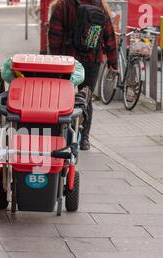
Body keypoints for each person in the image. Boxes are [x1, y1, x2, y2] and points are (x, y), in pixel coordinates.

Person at [48, 0, 118, 150]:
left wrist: (54, 60)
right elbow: (109, 35)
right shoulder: (99, 5)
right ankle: (84, 139)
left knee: (66, 97)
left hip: (68, 60)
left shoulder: (63, 5)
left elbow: (54, 35)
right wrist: (113, 62)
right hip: (92, 59)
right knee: (86, 97)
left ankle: (65, 134)